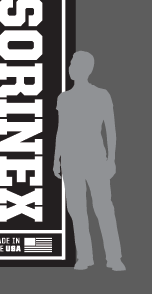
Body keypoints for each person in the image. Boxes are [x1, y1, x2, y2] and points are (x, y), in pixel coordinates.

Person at [53, 51, 124, 271]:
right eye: (71, 63)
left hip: (95, 158)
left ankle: (114, 258)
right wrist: (56, 159)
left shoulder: (102, 95)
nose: (71, 67)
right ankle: (85, 257)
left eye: (75, 64)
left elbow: (111, 129)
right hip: (71, 160)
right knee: (76, 209)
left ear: (86, 68)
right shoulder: (64, 97)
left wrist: (112, 158)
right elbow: (61, 130)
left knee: (103, 207)